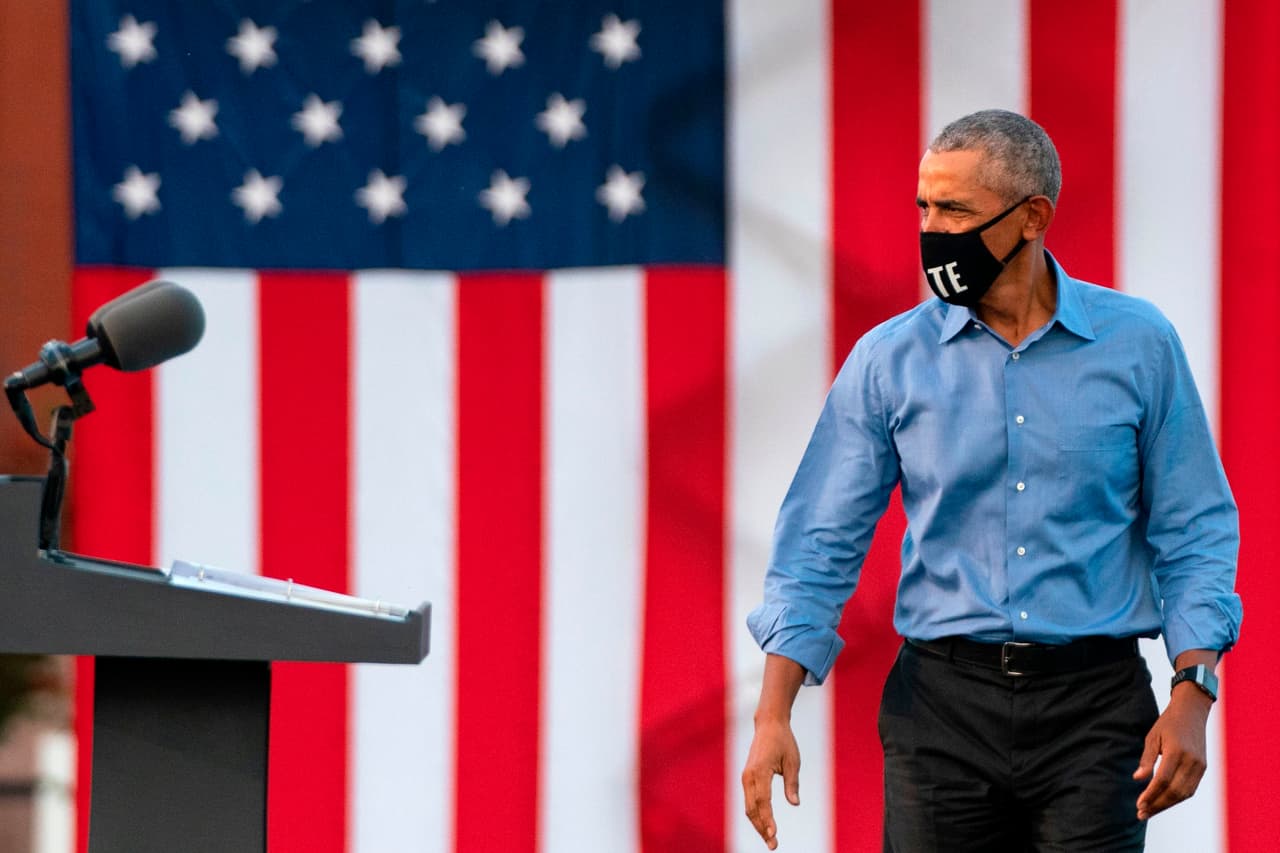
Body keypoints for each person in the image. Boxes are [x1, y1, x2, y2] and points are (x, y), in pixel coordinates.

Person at [740, 109, 1242, 852]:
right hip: (940, 711)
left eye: (955, 210)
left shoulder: (1140, 345)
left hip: (1096, 710)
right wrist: (772, 714)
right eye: (924, 206)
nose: (932, 229)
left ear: (1032, 217)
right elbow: (820, 539)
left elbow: (1194, 527)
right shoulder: (888, 359)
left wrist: (1193, 690)